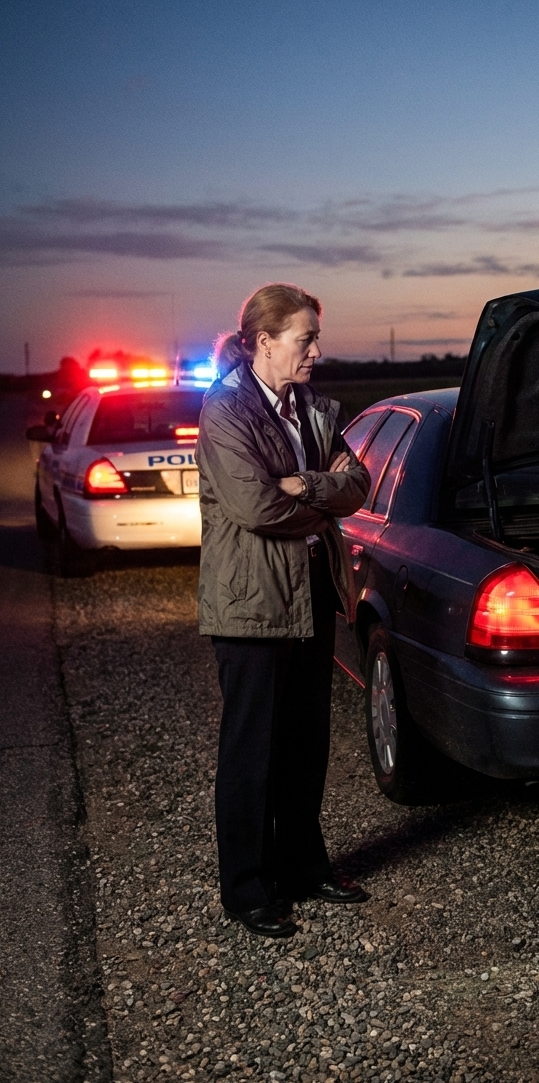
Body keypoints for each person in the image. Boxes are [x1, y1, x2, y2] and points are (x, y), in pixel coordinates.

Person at [196, 283, 370, 938]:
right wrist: (316, 503)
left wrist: (315, 487)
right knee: (251, 751)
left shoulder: (318, 410)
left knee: (305, 742)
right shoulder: (226, 412)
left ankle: (304, 867)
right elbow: (255, 507)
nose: (316, 352)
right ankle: (245, 888)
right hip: (251, 603)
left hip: (311, 593)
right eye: (304, 339)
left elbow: (358, 484)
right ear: (263, 342)